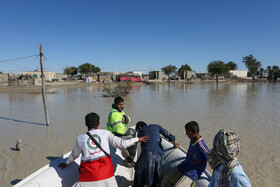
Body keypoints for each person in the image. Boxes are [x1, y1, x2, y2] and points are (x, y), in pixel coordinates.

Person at [58, 112, 148, 187]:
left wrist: (67, 163)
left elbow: (74, 154)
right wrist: (137, 139)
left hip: (86, 178)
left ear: (86, 124)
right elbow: (122, 144)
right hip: (107, 176)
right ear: (99, 123)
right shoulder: (106, 133)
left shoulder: (80, 138)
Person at [161, 121, 209, 187]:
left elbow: (210, 158)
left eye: (187, 132)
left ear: (194, 132)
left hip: (192, 173)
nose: (186, 134)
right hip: (184, 166)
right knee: (166, 179)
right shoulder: (192, 140)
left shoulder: (201, 146)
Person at [133, 121, 180, 187]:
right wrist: (175, 144)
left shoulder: (141, 130)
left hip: (147, 155)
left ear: (139, 127)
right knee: (157, 175)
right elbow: (168, 134)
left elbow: (140, 141)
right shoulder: (156, 126)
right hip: (159, 155)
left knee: (139, 171)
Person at [107, 96, 137, 166]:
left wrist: (125, 119)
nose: (121, 106)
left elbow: (129, 119)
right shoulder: (114, 114)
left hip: (120, 131)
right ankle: (130, 159)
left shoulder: (120, 111)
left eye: (122, 104)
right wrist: (127, 132)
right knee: (134, 140)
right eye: (119, 104)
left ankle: (127, 150)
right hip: (116, 133)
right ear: (115, 104)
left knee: (134, 131)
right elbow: (119, 129)